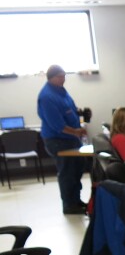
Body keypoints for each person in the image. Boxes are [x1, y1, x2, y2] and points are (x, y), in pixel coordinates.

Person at [37, 64, 88, 214]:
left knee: (78, 168)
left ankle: (76, 201)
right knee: (67, 172)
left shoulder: (61, 90)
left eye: (64, 76)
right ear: (51, 78)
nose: (63, 79)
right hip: (58, 140)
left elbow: (70, 109)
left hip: (71, 138)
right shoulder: (47, 97)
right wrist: (76, 132)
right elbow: (57, 125)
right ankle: (69, 205)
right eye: (60, 77)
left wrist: (80, 113)